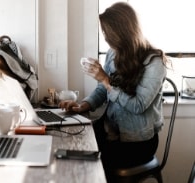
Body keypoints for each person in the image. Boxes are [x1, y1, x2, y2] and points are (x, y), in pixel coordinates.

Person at [58, 2, 168, 182]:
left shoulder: (154, 62)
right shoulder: (113, 54)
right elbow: (103, 89)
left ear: (122, 32)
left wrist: (105, 79)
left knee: (91, 164)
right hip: (111, 130)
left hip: (138, 141)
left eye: (108, 33)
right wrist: (83, 105)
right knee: (73, 148)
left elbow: (138, 105)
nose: (106, 38)